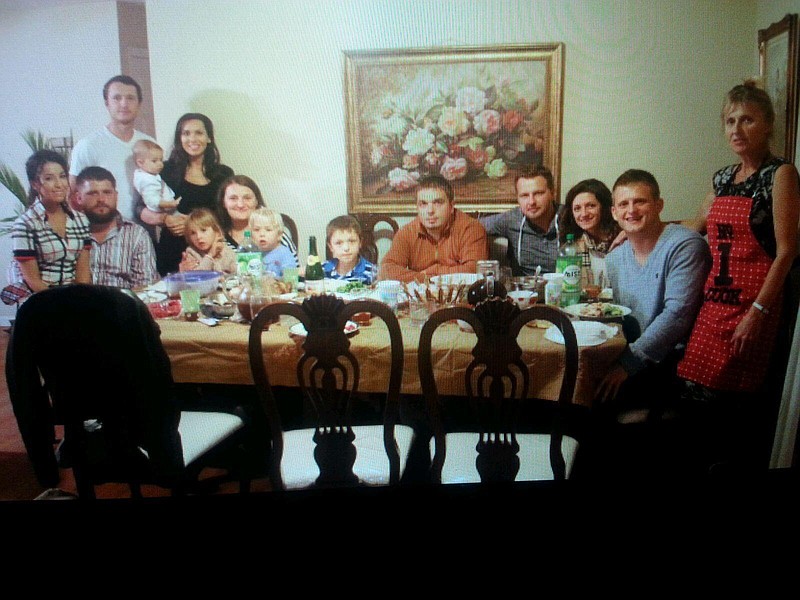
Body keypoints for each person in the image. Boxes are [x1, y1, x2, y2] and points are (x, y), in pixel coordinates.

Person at [677, 81, 800, 473]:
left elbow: (787, 251)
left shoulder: (780, 175)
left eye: (747, 119)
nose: (736, 129)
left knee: (736, 409)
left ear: (767, 125)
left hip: (753, 307)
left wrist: (758, 312)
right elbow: (692, 227)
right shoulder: (722, 179)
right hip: (714, 306)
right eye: (730, 120)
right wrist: (633, 231)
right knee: (695, 398)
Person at [597, 169, 711, 409]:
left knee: (592, 402)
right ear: (614, 212)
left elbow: (677, 316)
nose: (631, 210)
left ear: (659, 205)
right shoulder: (614, 259)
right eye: (624, 204)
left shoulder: (685, 245)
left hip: (672, 363)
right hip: (633, 354)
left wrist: (627, 364)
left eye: (640, 201)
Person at [153, 113, 233, 275]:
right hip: (173, 249)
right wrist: (166, 219)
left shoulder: (223, 174)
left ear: (209, 138)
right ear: (179, 138)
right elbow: (142, 207)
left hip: (211, 253)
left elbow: (228, 214)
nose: (192, 139)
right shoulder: (165, 170)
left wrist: (193, 224)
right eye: (186, 133)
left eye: (199, 133)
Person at [69, 75, 156, 220]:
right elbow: (72, 193)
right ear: (106, 103)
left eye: (130, 98)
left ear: (139, 104)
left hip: (144, 232)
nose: (124, 104)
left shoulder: (149, 144)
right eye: (117, 98)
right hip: (99, 232)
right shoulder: (88, 145)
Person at [9, 149, 92, 298]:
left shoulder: (81, 220)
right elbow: (33, 280)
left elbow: (83, 273)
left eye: (62, 176)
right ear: (35, 184)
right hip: (40, 300)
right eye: (49, 178)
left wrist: (80, 300)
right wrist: (59, 304)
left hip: (74, 298)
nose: (59, 184)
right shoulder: (25, 224)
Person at [380, 175, 487, 283]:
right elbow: (386, 270)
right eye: (423, 204)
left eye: (438, 202)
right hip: (421, 297)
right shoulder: (407, 232)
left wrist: (434, 271)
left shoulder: (471, 229)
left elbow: (474, 271)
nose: (430, 211)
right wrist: (426, 279)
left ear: (451, 206)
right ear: (417, 208)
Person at [74, 166, 158, 289]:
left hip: (123, 305)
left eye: (107, 192)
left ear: (116, 195)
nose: (101, 199)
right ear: (79, 198)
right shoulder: (70, 232)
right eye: (92, 193)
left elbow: (145, 287)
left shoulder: (136, 235)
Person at [479, 165, 564, 274]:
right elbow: (472, 226)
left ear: (552, 193)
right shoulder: (512, 219)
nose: (531, 202)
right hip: (524, 289)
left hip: (565, 287)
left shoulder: (570, 217)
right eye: (524, 195)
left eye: (538, 193)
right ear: (517, 198)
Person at [216, 175, 298, 264]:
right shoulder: (216, 237)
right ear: (223, 202)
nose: (240, 204)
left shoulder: (273, 234)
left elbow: (295, 272)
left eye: (247, 198)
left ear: (257, 201)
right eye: (233, 198)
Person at [559, 178, 620, 288]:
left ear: (604, 207)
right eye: (577, 208)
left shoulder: (623, 238)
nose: (584, 214)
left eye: (591, 206)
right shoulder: (574, 246)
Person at [178, 208, 237, 274]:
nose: (198, 236)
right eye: (193, 233)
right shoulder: (191, 252)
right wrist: (210, 255)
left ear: (216, 231)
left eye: (203, 230)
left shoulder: (226, 250)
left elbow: (237, 273)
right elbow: (198, 276)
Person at [322, 215, 377, 284]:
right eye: (339, 243)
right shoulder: (321, 270)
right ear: (331, 247)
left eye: (352, 241)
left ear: (360, 243)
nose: (346, 248)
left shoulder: (372, 272)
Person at [132, 139, 180, 214]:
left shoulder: (146, 174)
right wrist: (171, 204)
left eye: (161, 160)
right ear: (140, 163)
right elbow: (152, 201)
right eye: (154, 161)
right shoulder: (147, 181)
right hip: (163, 211)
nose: (160, 164)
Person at [248, 208, 296, 278]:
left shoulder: (284, 253)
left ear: (279, 235)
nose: (262, 234)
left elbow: (291, 279)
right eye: (256, 230)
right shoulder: (251, 253)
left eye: (268, 230)